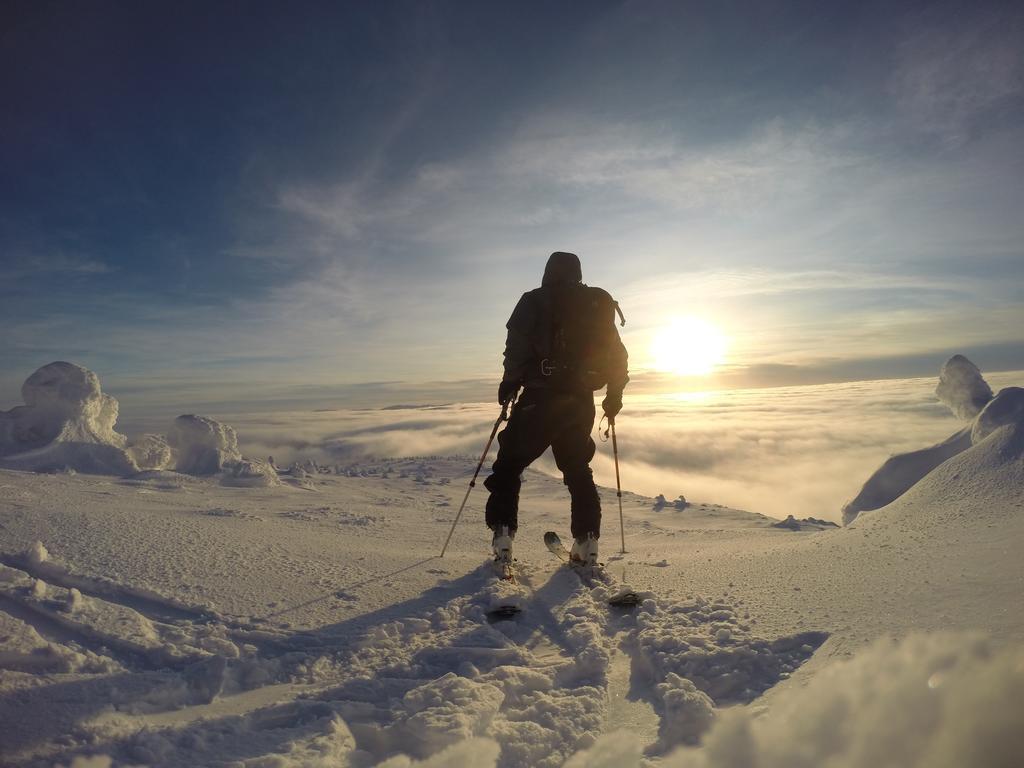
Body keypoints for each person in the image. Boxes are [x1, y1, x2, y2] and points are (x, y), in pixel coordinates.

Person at [484, 251, 628, 568]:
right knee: (577, 468)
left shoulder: (533, 301)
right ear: (577, 272)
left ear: (548, 272)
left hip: (539, 399)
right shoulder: (596, 303)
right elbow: (617, 355)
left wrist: (509, 384)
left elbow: (516, 350)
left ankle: (503, 537)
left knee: (508, 466)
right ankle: (587, 541)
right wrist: (614, 396)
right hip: (579, 402)